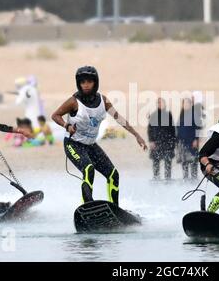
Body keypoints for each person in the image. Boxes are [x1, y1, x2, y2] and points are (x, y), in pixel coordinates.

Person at [51, 66, 147, 206]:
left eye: (89, 81)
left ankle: (115, 209)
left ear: (95, 82)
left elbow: (118, 118)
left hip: (90, 145)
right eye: (83, 82)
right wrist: (67, 126)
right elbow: (55, 115)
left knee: (113, 174)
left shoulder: (103, 101)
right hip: (73, 144)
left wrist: (137, 135)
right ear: (79, 83)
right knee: (88, 169)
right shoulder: (73, 101)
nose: (86, 85)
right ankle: (88, 206)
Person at [147, 98, 176, 180]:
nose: (160, 104)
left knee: (168, 162)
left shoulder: (168, 114)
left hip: (167, 142)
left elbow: (172, 129)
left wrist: (173, 142)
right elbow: (150, 129)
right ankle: (156, 178)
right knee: (156, 161)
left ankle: (168, 179)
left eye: (161, 103)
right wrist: (151, 141)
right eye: (158, 103)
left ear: (165, 104)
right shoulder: (153, 115)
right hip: (156, 142)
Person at [176, 97, 199, 180]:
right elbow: (179, 128)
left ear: (190, 104)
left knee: (193, 161)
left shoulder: (194, 114)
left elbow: (197, 128)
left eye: (187, 103)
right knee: (184, 161)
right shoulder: (182, 114)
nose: (185, 105)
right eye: (184, 103)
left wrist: (196, 139)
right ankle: (185, 179)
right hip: (182, 142)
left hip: (192, 141)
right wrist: (177, 140)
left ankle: (194, 179)